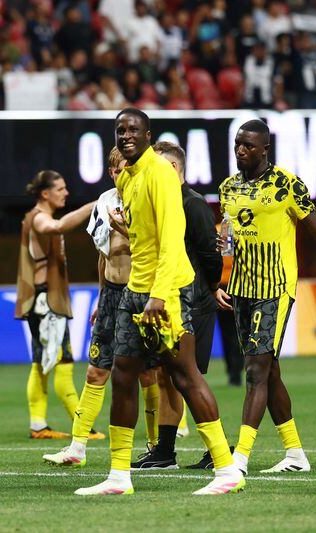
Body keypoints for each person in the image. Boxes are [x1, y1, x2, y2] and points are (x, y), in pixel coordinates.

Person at [75, 108, 244, 496]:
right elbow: (143, 241)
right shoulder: (130, 178)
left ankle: (226, 469)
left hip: (165, 293)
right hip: (136, 290)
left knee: (184, 375)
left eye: (134, 129)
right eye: (120, 130)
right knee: (122, 374)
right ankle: (119, 476)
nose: (126, 135)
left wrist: (158, 296)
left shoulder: (160, 175)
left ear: (148, 135)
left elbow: (170, 240)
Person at [217, 119, 316, 476]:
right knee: (270, 370)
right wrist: (222, 271)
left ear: (265, 149)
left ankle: (239, 459)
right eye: (237, 145)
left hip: (274, 289)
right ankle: (295, 454)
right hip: (241, 289)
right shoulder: (228, 188)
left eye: (247, 146)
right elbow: (228, 239)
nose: (240, 151)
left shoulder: (286, 184)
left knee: (255, 371)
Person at [42, 147, 157, 467]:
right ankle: (77, 447)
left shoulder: (147, 197)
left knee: (148, 376)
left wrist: (124, 228)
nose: (127, 174)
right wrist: (101, 294)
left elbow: (153, 248)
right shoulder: (105, 202)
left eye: (131, 168)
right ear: (111, 172)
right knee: (95, 371)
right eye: (121, 169)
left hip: (141, 293)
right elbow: (103, 255)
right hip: (111, 296)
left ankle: (155, 445)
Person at [129, 141, 223, 470]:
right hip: (167, 297)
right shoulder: (160, 199)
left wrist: (212, 287)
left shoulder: (192, 203)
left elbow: (209, 252)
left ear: (173, 169)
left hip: (192, 298)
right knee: (169, 376)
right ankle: (165, 451)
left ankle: (218, 451)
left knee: (188, 376)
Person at [15, 170, 95, 440]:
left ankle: (38, 424)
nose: (66, 193)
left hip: (43, 300)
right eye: (60, 189)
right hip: (46, 303)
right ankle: (81, 427)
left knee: (41, 364)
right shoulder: (39, 218)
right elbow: (58, 227)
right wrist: (94, 205)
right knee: (63, 363)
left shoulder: (36, 217)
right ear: (45, 194)